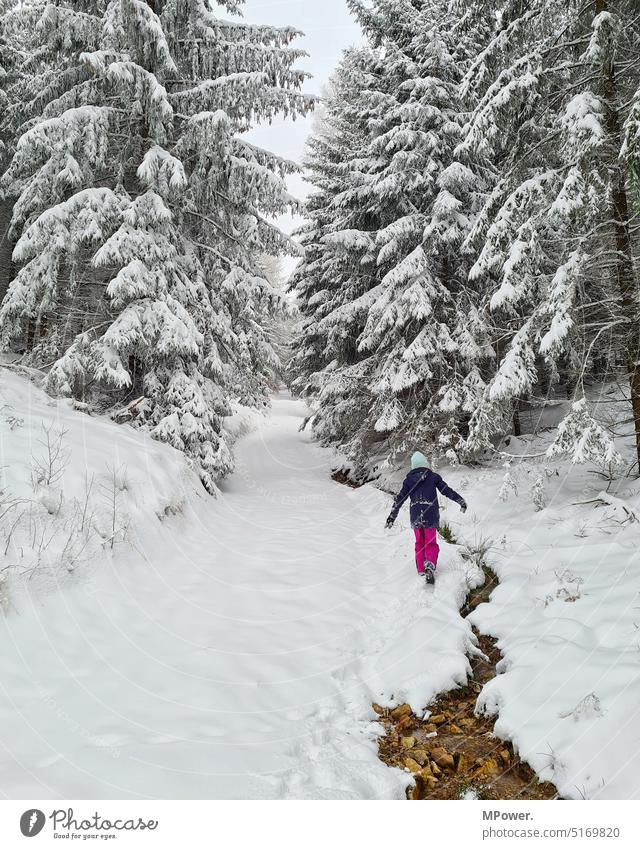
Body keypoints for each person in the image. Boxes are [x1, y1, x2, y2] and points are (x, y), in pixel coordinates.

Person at [385, 451, 467, 585]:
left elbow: (400, 499)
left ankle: (421, 568)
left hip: (416, 514)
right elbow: (446, 490)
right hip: (430, 514)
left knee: (419, 542)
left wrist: (392, 516)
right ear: (425, 464)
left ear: (413, 466)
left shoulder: (408, 481)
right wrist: (460, 501)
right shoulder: (433, 477)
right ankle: (430, 565)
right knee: (431, 542)